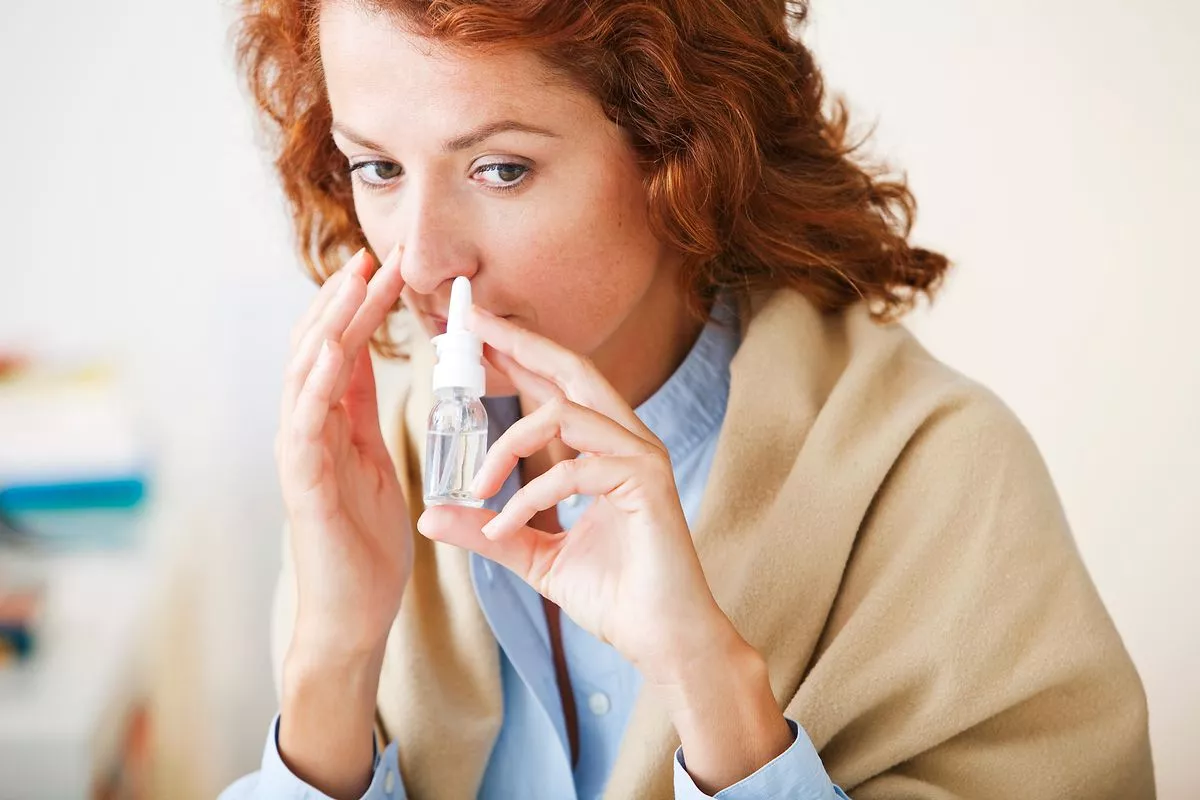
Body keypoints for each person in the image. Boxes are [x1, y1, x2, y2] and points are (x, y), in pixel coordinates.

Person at [222, 1, 1155, 798]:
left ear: (680, 150)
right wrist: (334, 654)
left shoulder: (935, 477)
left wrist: (711, 683)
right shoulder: (372, 454)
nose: (421, 261)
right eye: (378, 168)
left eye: (501, 168)